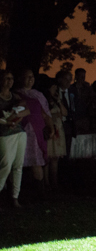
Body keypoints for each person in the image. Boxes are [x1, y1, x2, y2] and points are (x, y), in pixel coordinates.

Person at [16, 69, 53, 199]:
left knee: (37, 160)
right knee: (17, 160)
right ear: (21, 79)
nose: (30, 79)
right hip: (22, 129)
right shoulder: (16, 94)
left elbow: (45, 113)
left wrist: (51, 127)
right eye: (27, 77)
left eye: (32, 77)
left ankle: (40, 192)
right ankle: (15, 192)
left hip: (37, 131)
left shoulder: (38, 94)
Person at [0, 70, 29, 208]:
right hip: (4, 133)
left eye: (11, 78)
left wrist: (15, 119)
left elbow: (25, 111)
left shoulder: (15, 97)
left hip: (19, 132)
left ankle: (15, 197)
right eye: (6, 78)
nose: (9, 81)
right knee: (5, 165)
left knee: (18, 165)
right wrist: (7, 122)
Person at [44, 79, 67, 190]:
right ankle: (46, 182)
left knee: (56, 157)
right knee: (48, 156)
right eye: (53, 87)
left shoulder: (57, 99)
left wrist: (58, 100)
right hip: (50, 128)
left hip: (58, 128)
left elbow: (65, 112)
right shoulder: (44, 100)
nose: (55, 89)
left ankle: (54, 181)